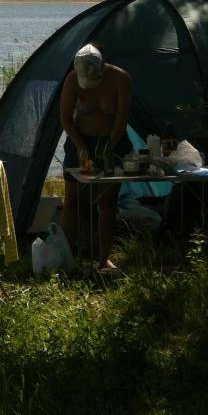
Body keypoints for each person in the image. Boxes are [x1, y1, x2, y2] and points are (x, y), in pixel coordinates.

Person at [59, 44, 133, 271]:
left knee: (108, 201)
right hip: (81, 140)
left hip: (112, 141)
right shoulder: (72, 80)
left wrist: (109, 147)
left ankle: (103, 259)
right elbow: (65, 118)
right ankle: (67, 257)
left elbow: (121, 119)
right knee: (73, 200)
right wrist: (80, 146)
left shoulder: (120, 79)